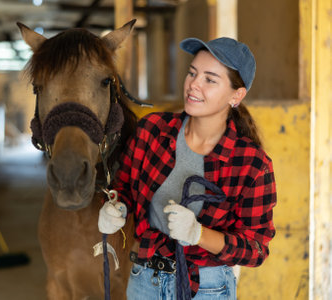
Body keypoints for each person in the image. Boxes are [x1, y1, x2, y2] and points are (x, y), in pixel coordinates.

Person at [98, 37, 277, 299]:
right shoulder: (152, 130)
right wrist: (117, 206)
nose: (194, 84)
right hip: (145, 278)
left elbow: (256, 248)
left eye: (210, 79)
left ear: (236, 96)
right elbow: (123, 186)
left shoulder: (253, 164)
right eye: (192, 73)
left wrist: (199, 234)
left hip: (207, 287)